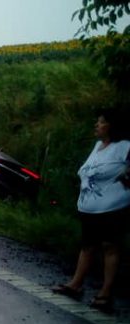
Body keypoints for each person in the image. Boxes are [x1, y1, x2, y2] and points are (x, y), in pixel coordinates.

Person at [51, 109, 130, 312]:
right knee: (87, 246)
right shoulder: (98, 146)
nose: (97, 125)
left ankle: (105, 293)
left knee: (109, 247)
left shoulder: (124, 147)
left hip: (113, 207)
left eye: (101, 122)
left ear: (111, 125)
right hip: (89, 208)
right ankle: (75, 284)